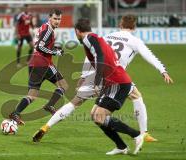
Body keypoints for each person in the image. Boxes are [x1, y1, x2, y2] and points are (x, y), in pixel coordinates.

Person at [32, 15, 173, 146]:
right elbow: (149, 55)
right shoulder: (135, 41)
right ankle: (143, 134)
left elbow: (92, 55)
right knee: (137, 97)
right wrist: (163, 70)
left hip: (93, 73)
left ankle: (46, 127)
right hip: (114, 76)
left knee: (75, 102)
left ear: (120, 24)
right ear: (134, 28)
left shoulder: (106, 36)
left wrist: (83, 75)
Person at [9, 9, 68, 125]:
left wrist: (54, 49)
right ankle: (50, 105)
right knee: (64, 85)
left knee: (32, 95)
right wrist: (55, 52)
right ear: (49, 18)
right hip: (43, 63)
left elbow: (40, 46)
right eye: (55, 18)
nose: (57, 21)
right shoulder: (48, 30)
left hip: (34, 63)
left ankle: (16, 113)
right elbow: (41, 47)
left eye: (59, 19)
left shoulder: (44, 27)